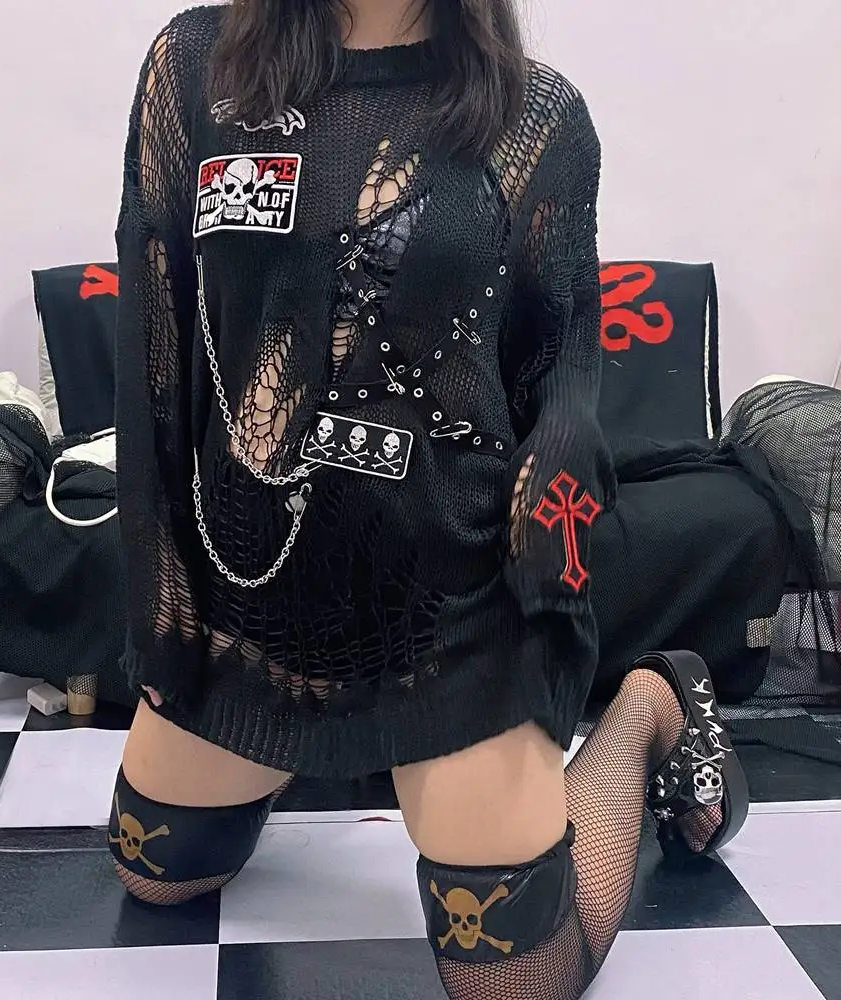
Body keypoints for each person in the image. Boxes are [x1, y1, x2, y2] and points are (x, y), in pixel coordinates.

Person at [109, 2, 749, 997]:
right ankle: (299, 749)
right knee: (154, 872)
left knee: (515, 982)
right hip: (253, 604)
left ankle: (648, 707)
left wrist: (542, 615)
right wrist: (167, 610)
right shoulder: (199, 66)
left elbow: (563, 368)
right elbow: (156, 341)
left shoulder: (533, 115)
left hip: (447, 618)